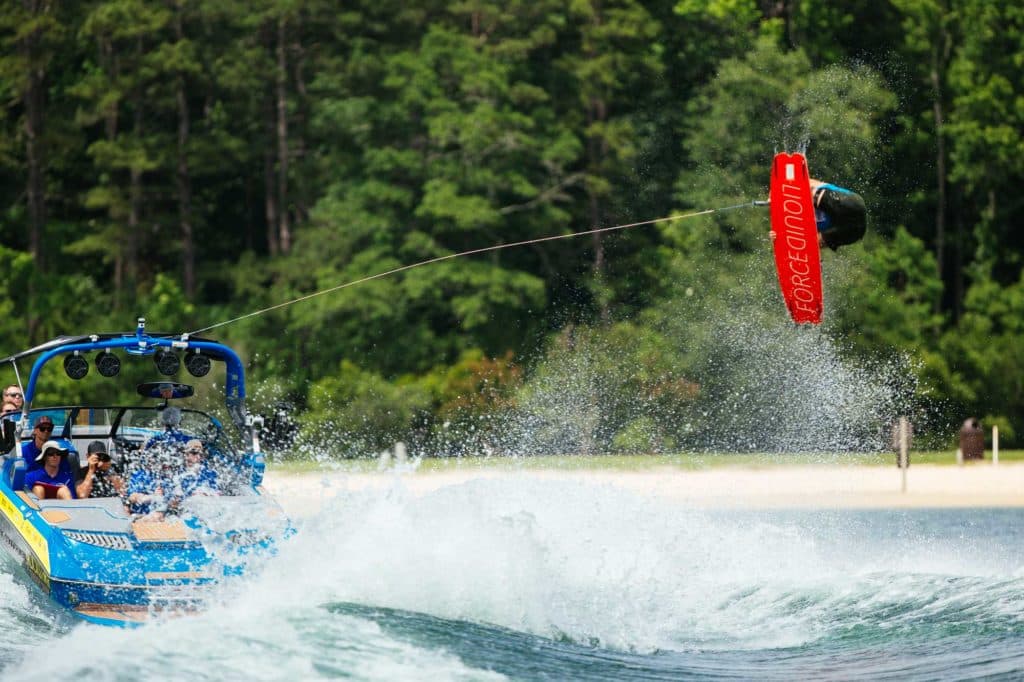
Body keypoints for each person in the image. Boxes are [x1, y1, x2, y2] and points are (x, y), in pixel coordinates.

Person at [769, 179, 866, 250]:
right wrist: (777, 238)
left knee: (813, 193)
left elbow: (807, 183)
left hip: (852, 205)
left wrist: (775, 193)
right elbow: (790, 243)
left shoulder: (811, 194)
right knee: (812, 243)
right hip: (854, 231)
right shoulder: (796, 228)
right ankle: (817, 261)